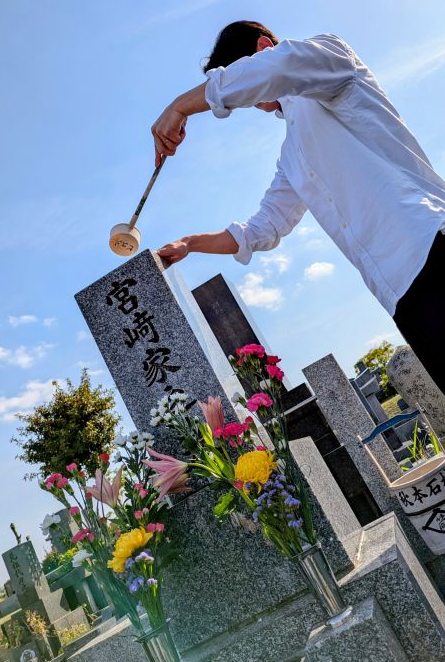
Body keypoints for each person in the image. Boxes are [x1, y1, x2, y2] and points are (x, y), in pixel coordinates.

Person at [151, 20, 445, 393]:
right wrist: (190, 243)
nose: (250, 100)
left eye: (242, 74)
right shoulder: (292, 154)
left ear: (263, 47)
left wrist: (180, 106)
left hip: (430, 243)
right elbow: (262, 228)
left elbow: (277, 69)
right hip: (398, 294)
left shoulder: (331, 58)